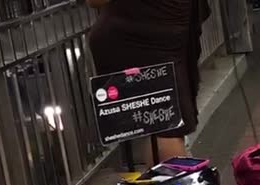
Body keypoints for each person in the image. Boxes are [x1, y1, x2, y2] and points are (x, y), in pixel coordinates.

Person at [86, 0, 210, 164]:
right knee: (162, 123)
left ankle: (170, 183)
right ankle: (171, 180)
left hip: (144, 40)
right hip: (158, 33)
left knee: (165, 127)